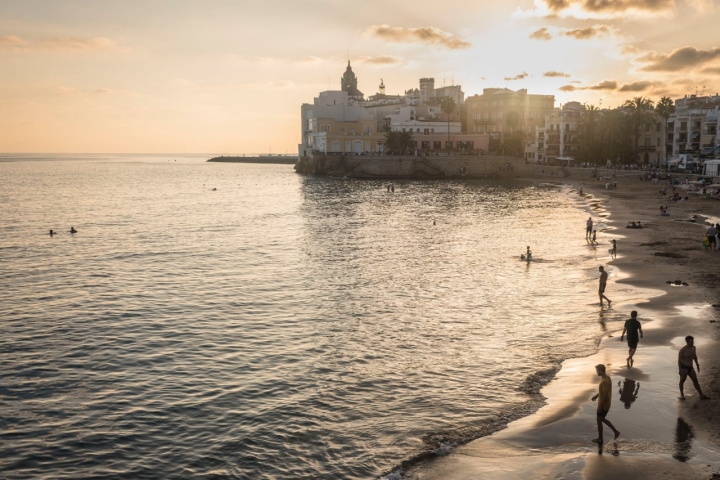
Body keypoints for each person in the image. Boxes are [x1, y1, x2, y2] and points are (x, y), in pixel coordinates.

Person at [591, 364, 620, 444]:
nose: (596, 372)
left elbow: (605, 395)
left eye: (597, 370)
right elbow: (604, 392)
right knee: (601, 419)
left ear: (600, 370)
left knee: (599, 420)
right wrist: (596, 396)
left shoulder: (604, 381)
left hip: (604, 404)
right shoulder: (607, 378)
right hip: (607, 403)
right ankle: (616, 432)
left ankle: (601, 438)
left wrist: (600, 406)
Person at [678, 336, 710, 400]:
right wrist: (680, 370)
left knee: (695, 380)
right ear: (687, 342)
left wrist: (697, 365)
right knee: (682, 381)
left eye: (693, 341)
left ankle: (701, 395)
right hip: (684, 367)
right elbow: (679, 360)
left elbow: (694, 356)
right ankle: (682, 395)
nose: (692, 342)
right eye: (690, 341)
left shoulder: (693, 347)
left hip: (690, 367)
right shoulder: (683, 350)